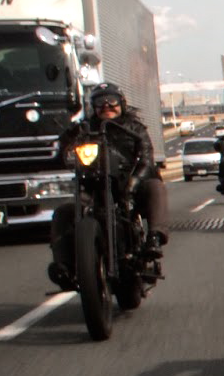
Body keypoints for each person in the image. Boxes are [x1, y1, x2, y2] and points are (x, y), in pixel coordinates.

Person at [47, 83, 169, 289]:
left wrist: (133, 182)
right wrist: (67, 136)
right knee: (64, 212)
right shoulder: (86, 129)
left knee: (155, 187)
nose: (106, 106)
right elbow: (62, 154)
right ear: (92, 106)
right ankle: (64, 266)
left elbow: (147, 160)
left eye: (111, 101)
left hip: (128, 184)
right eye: (99, 102)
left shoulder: (135, 128)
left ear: (121, 103)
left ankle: (155, 238)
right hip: (94, 186)